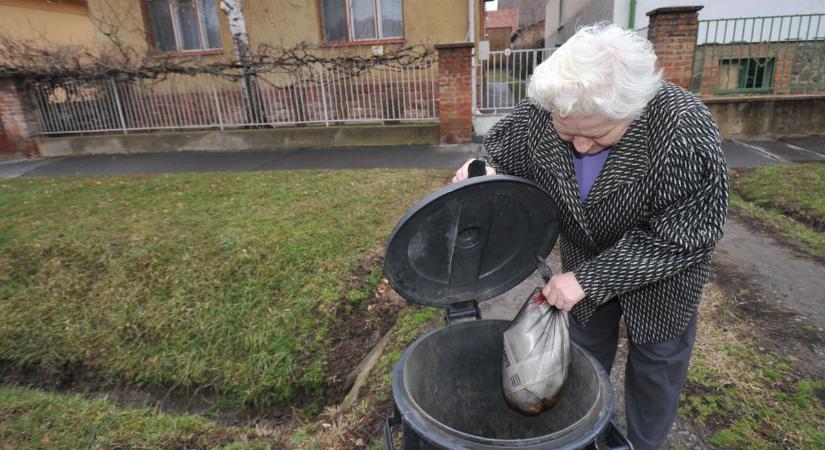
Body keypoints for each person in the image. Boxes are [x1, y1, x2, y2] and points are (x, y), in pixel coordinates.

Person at [453, 23, 728, 450]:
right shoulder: (553, 108)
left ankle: (642, 443)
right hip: (582, 256)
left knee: (656, 367)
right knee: (581, 354)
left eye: (597, 134)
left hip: (662, 278)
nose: (579, 146)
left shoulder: (682, 128)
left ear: (631, 109)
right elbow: (499, 149)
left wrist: (590, 280)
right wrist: (483, 168)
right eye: (568, 134)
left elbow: (689, 233)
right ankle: (581, 430)